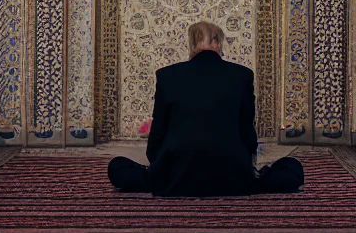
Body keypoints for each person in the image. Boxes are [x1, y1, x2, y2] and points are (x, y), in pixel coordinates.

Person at [108, 21, 304, 197]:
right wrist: (248, 165)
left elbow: (158, 131)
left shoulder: (167, 76)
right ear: (218, 44)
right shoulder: (242, 75)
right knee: (292, 168)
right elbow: (247, 132)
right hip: (232, 178)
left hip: (176, 179)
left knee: (117, 167)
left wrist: (157, 166)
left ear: (192, 45)